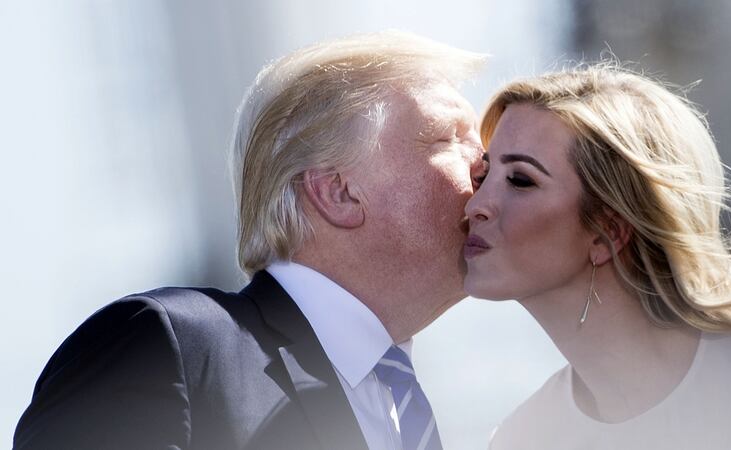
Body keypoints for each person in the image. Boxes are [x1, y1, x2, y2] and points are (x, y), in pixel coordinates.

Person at [14, 31, 486, 450]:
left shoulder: (404, 406)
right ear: (338, 192)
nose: (487, 163)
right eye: (449, 138)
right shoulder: (168, 348)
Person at [464, 64, 731, 449]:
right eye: (482, 177)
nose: (476, 205)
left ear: (609, 231)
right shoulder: (524, 438)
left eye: (520, 180)